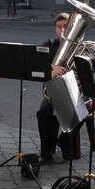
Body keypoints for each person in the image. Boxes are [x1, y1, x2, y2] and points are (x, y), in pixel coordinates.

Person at [36, 13, 75, 165]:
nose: (62, 30)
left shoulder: (79, 46)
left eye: (65, 26)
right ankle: (45, 151)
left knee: (82, 110)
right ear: (55, 29)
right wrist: (52, 66)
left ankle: (64, 141)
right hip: (54, 91)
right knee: (43, 113)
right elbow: (39, 64)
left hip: (74, 92)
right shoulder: (49, 45)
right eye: (59, 27)